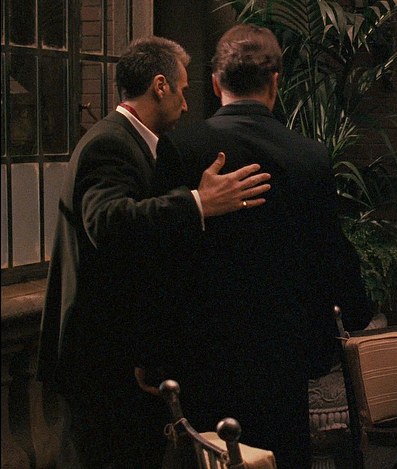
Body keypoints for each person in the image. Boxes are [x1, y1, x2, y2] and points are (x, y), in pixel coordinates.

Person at [36, 36, 272, 468]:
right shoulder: (110, 142)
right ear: (159, 86)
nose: (186, 104)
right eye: (181, 90)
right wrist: (199, 202)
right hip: (100, 359)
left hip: (112, 356)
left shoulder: (128, 140)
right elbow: (108, 222)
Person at [153, 24, 371, 468]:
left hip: (201, 356)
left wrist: (151, 352)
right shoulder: (309, 156)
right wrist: (350, 318)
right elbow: (330, 254)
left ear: (216, 83)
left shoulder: (182, 147)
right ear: (275, 82)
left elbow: (160, 259)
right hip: (281, 358)